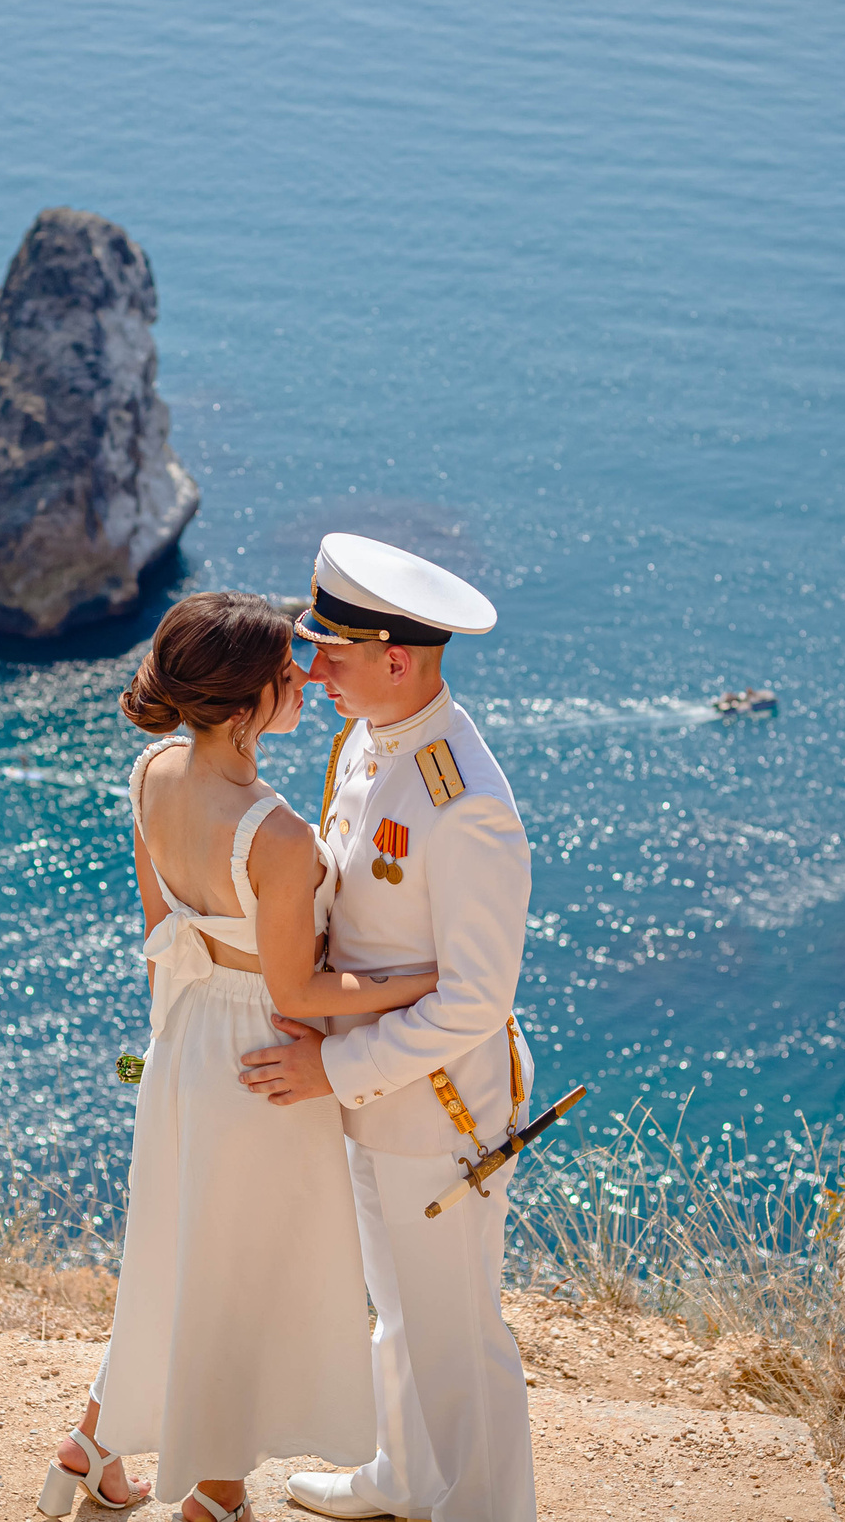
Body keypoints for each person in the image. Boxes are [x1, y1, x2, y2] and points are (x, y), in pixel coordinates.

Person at [41, 590, 441, 1522]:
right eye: (284, 673)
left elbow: (158, 932)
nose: (304, 678)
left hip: (182, 1037)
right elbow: (300, 991)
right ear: (242, 703)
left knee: (173, 1254)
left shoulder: (152, 772)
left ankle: (93, 1443)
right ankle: (215, 1493)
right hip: (264, 1062)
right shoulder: (277, 833)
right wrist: (420, 981)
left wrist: (159, 1059)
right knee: (243, 1276)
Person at [240, 535, 538, 1522]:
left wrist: (336, 1067)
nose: (313, 671)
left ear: (397, 660)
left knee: (457, 1334)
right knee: (401, 1311)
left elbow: (475, 1000)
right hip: (376, 1094)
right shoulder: (369, 742)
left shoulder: (467, 803)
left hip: (437, 1108)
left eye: (332, 654)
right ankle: (406, 1478)